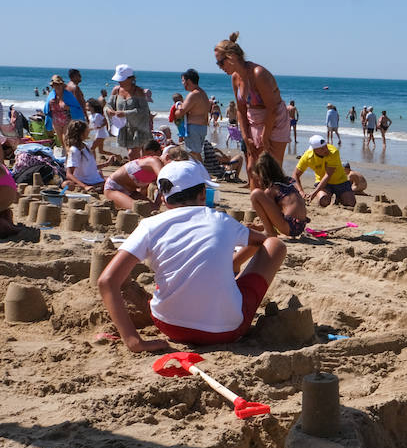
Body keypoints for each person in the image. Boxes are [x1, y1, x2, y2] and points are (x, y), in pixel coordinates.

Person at [99, 159, 286, 352]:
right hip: (227, 330)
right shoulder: (220, 219)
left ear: (163, 199)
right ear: (203, 194)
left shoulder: (150, 225)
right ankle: (230, 270)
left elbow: (107, 281)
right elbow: (264, 241)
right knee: (276, 246)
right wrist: (234, 257)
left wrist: (133, 341)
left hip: (169, 325)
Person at [214, 32, 290, 183]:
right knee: (251, 168)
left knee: (271, 169)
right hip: (254, 120)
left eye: (220, 63)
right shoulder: (235, 78)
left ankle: (275, 202)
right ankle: (258, 204)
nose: (219, 67)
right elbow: (241, 110)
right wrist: (245, 136)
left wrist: (266, 135)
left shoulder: (257, 74)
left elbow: (272, 108)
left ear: (232, 57)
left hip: (275, 120)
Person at [249, 152, 308, 237]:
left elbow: (270, 216)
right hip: (300, 226)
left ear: (263, 176)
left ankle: (269, 232)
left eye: (258, 179)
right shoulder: (288, 182)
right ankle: (268, 230)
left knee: (255, 194)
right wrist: (258, 227)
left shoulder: (271, 190)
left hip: (291, 227)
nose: (258, 182)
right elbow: (277, 215)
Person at [103, 139, 166, 212]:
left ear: (158, 152)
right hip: (113, 188)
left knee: (151, 209)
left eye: (149, 154)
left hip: (131, 192)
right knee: (142, 210)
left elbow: (159, 186)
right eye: (145, 154)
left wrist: (156, 204)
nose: (146, 157)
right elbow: (163, 180)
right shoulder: (153, 161)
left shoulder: (157, 163)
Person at [295, 135, 357, 208]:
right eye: (322, 149)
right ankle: (331, 196)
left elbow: (328, 175)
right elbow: (295, 175)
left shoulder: (333, 152)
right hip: (322, 182)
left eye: (326, 146)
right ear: (315, 150)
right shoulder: (307, 157)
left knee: (351, 203)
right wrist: (301, 192)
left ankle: (339, 197)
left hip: (340, 181)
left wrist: (314, 193)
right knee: (323, 202)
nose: (326, 150)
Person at [106, 64, 153, 158]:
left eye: (122, 79)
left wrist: (124, 113)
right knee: (133, 155)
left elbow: (144, 111)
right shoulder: (116, 90)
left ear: (130, 79)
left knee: (133, 154)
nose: (119, 81)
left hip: (138, 129)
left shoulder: (138, 91)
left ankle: (134, 172)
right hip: (123, 127)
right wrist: (108, 111)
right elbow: (108, 105)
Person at [177, 69, 210, 162]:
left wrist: (177, 106)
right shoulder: (203, 93)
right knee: (196, 153)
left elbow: (181, 112)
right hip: (202, 127)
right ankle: (201, 173)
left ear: (188, 81)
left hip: (194, 127)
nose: (182, 83)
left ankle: (201, 173)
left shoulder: (193, 94)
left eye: (183, 81)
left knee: (193, 154)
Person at [63, 120, 105, 192]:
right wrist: (85, 186)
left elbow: (90, 168)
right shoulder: (74, 150)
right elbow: (69, 174)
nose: (88, 131)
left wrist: (107, 163)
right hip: (87, 182)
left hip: (95, 180)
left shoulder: (86, 146)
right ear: (81, 134)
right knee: (66, 184)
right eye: (87, 130)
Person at [44, 75, 80, 150]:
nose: (57, 86)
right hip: (56, 121)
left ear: (62, 85)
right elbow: (46, 110)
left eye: (59, 84)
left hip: (67, 120)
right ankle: (67, 155)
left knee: (65, 138)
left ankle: (69, 155)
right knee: (61, 141)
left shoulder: (68, 95)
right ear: (52, 86)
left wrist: (68, 107)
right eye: (55, 84)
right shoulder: (51, 95)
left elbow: (76, 106)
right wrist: (50, 104)